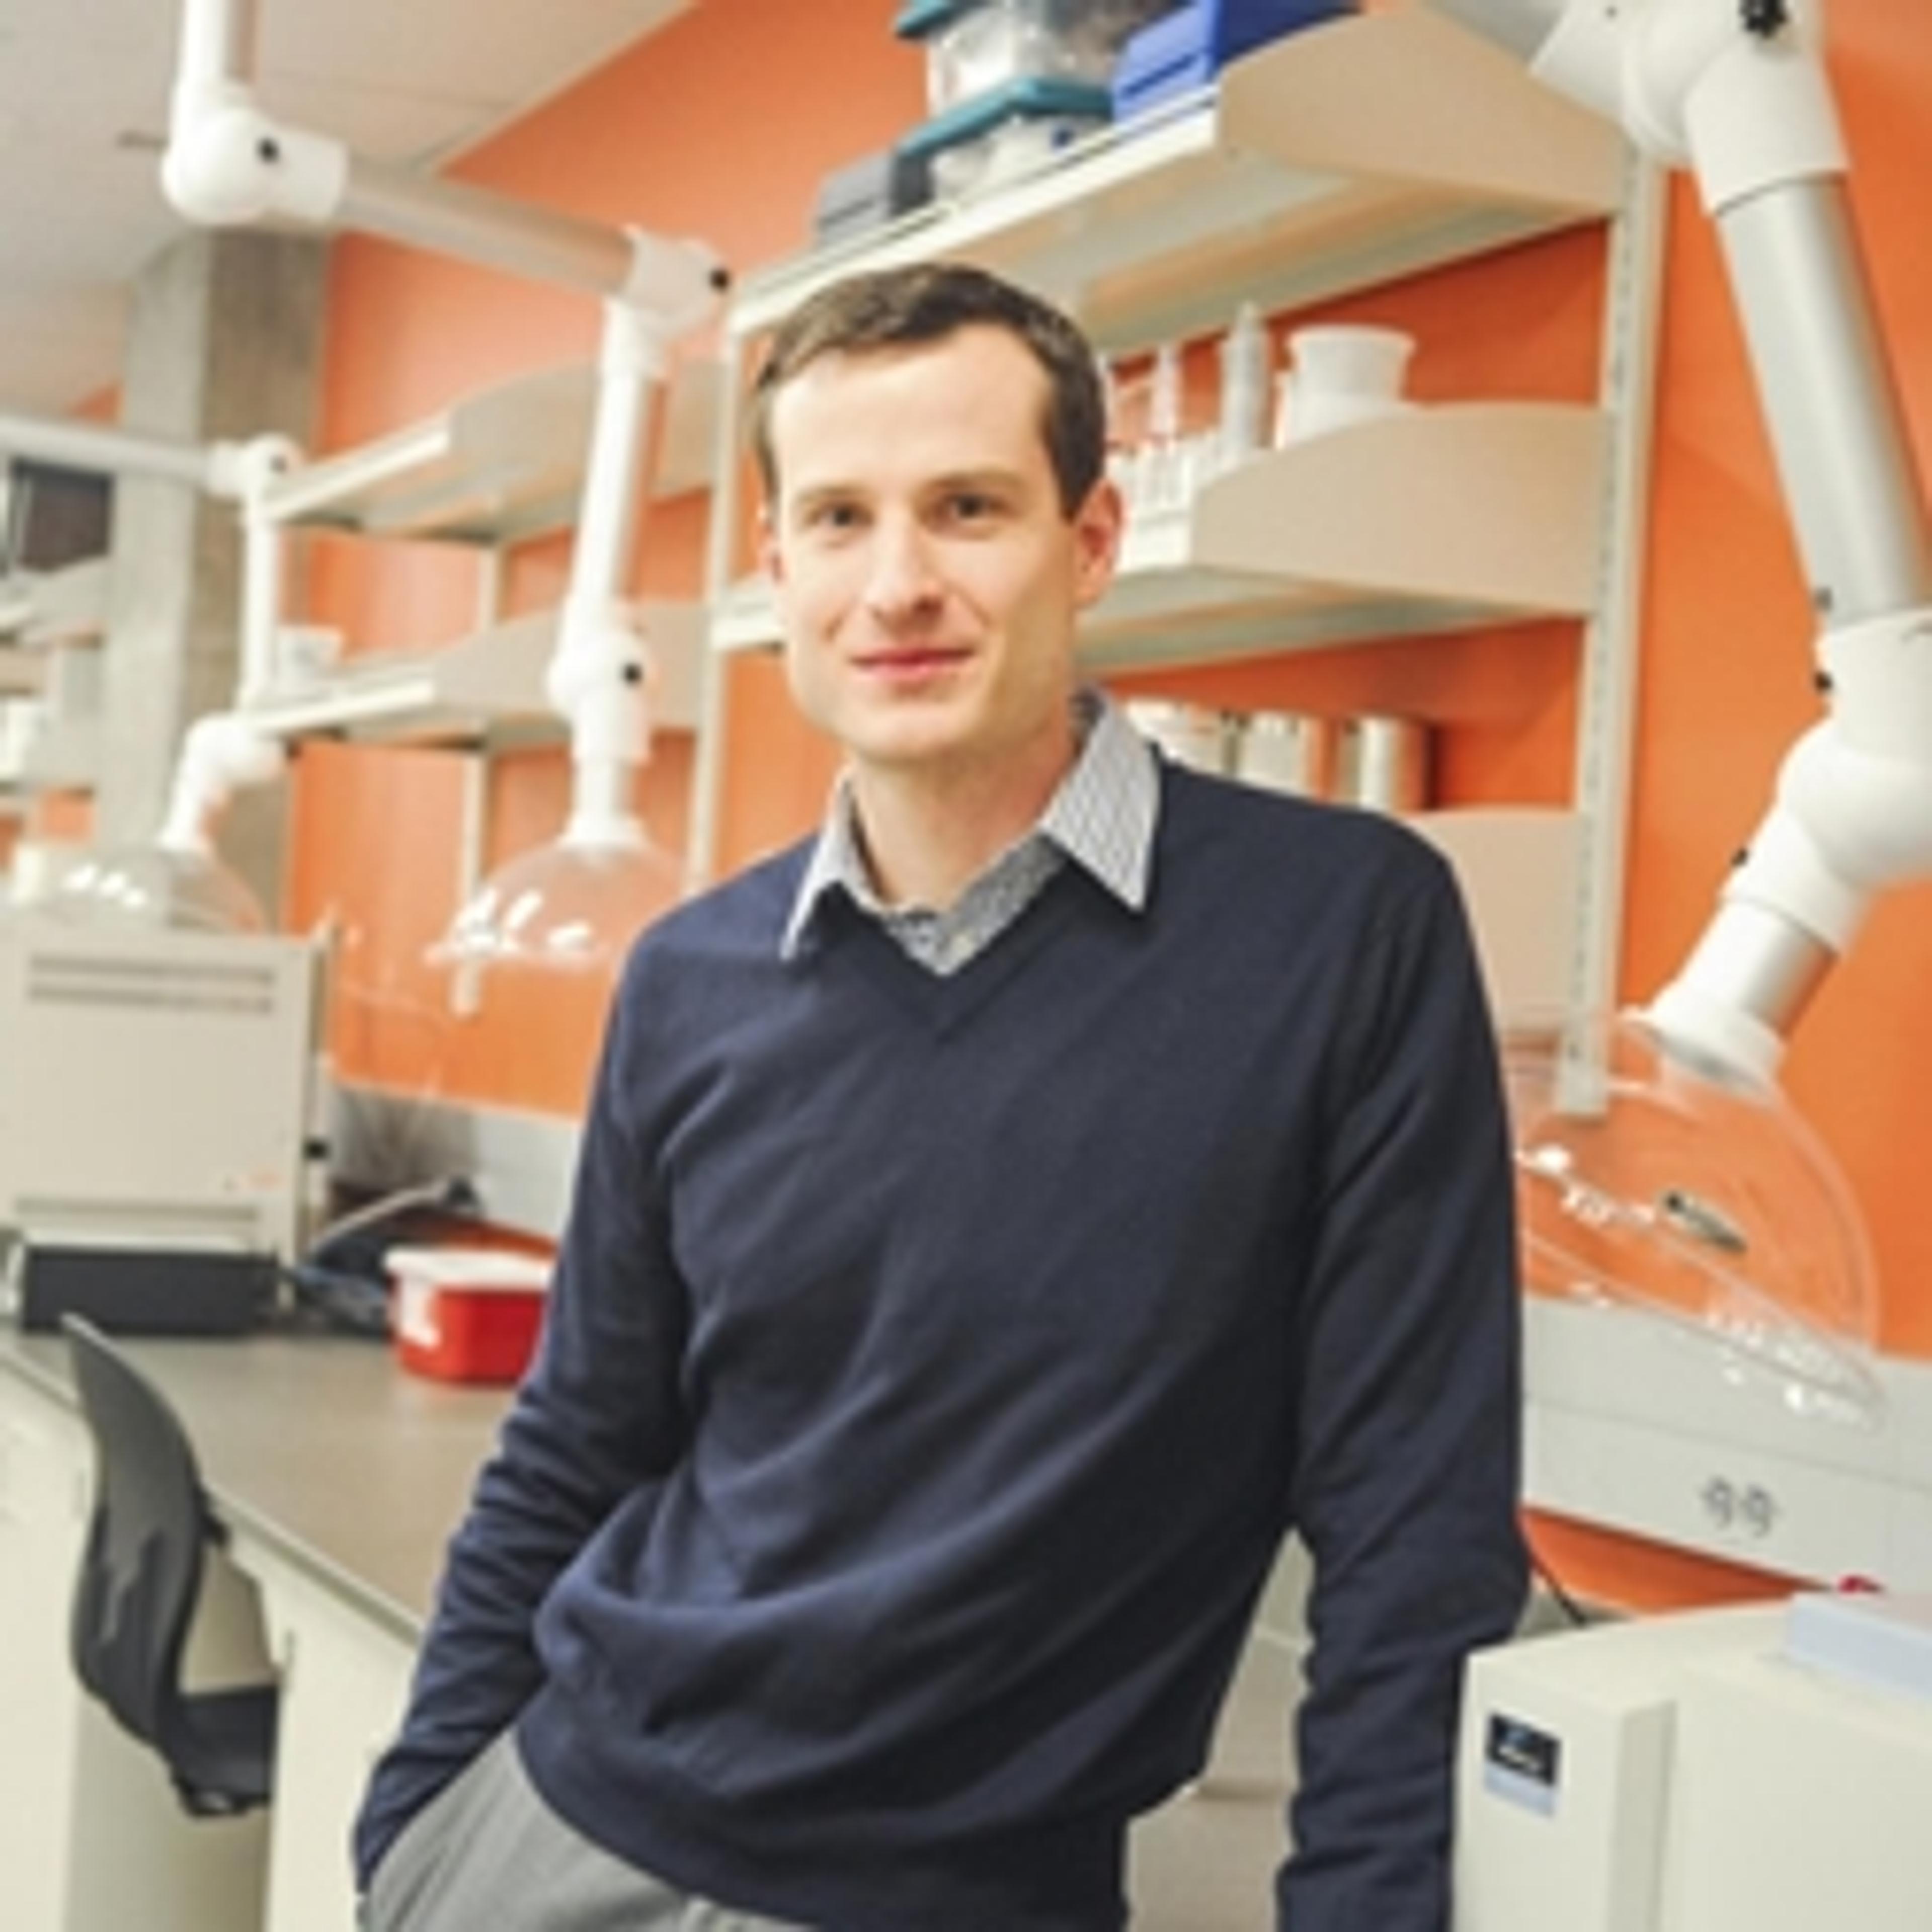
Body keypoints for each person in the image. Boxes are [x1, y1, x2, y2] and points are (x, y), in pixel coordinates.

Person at [353, 260, 1527, 1932]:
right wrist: (416, 1824)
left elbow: (1413, 1519)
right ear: (779, 572)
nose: (897, 585)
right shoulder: (691, 978)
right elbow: (577, 1441)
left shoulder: (1339, 933)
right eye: (839, 520)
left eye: (968, 509)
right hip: (557, 1835)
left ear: (1091, 540)